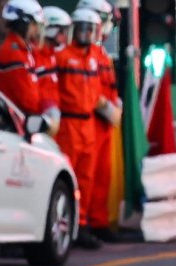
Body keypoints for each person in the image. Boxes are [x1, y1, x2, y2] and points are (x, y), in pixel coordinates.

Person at [54, 8, 104, 249]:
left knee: (87, 177)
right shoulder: (63, 57)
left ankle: (81, 224)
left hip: (88, 123)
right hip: (69, 123)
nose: (85, 33)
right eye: (81, 28)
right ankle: (68, 223)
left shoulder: (94, 58)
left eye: (89, 29)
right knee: (70, 175)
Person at [77, 0, 122, 240]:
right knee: (87, 176)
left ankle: (99, 221)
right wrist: (105, 105)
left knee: (101, 176)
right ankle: (84, 222)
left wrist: (114, 104)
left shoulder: (100, 52)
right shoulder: (87, 53)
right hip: (91, 120)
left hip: (103, 122)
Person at [0, 0, 45, 117]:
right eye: (33, 24)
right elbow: (27, 99)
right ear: (23, 24)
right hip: (19, 118)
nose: (36, 29)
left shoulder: (24, 49)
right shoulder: (13, 52)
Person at [35, 6, 72, 137]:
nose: (64, 36)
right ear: (50, 30)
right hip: (41, 121)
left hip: (55, 121)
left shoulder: (53, 56)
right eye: (62, 31)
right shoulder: (35, 56)